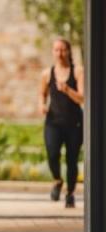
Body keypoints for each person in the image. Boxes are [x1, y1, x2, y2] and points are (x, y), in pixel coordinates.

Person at [38, 38, 84, 208]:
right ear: (52, 52)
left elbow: (82, 97)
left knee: (72, 159)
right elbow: (41, 94)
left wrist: (67, 90)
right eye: (56, 50)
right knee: (52, 154)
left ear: (69, 51)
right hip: (53, 122)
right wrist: (42, 105)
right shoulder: (47, 74)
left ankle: (70, 193)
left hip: (74, 123)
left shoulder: (78, 72)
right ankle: (57, 180)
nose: (60, 53)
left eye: (63, 50)